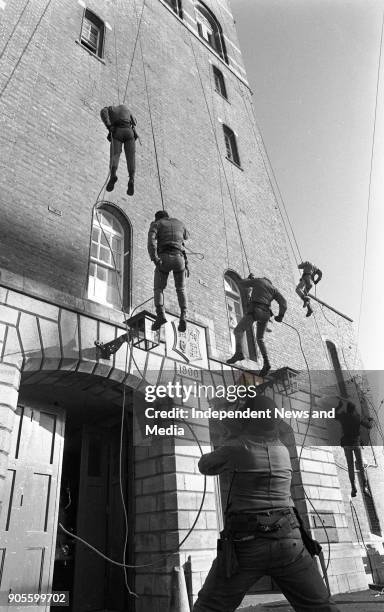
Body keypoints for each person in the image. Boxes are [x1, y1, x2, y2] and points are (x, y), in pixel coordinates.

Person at [193, 395, 340, 612]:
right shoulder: (282, 448)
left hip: (247, 544)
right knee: (319, 607)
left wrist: (228, 428)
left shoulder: (237, 447)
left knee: (210, 607)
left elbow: (205, 465)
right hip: (290, 541)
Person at [226, 275, 287, 377]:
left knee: (238, 331)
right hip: (266, 314)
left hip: (256, 310)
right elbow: (284, 303)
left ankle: (239, 353)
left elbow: (242, 283)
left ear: (264, 279)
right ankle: (266, 363)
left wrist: (250, 279)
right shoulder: (274, 289)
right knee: (260, 338)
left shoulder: (259, 281)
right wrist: (280, 316)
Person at [147, 210, 189, 332]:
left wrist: (154, 258)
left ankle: (160, 315)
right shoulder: (180, 223)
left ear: (157, 218)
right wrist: (186, 264)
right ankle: (183, 315)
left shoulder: (156, 224)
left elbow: (151, 241)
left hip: (164, 258)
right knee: (180, 289)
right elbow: (185, 237)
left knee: (159, 288)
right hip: (179, 259)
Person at [335, 400, 373, 497]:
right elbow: (369, 426)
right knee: (360, 466)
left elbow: (334, 415)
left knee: (350, 466)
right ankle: (364, 487)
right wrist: (369, 420)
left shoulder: (343, 416)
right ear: (354, 409)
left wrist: (339, 406)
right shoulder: (357, 417)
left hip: (347, 445)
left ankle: (353, 487)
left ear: (347, 409)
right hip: (356, 444)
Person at [100, 104, 138, 195]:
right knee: (131, 157)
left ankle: (113, 174)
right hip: (129, 132)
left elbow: (103, 112)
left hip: (118, 131)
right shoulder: (128, 110)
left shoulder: (110, 108)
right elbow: (135, 122)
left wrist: (109, 126)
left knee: (115, 154)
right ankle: (131, 179)